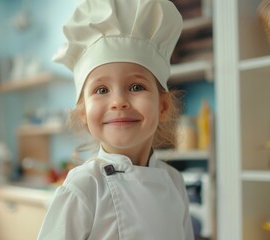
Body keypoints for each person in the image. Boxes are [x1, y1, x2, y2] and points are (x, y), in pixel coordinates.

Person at [38, 0, 194, 239]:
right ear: (83, 113)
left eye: (136, 86)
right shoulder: (84, 188)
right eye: (101, 90)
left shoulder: (174, 182)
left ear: (162, 106)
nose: (118, 101)